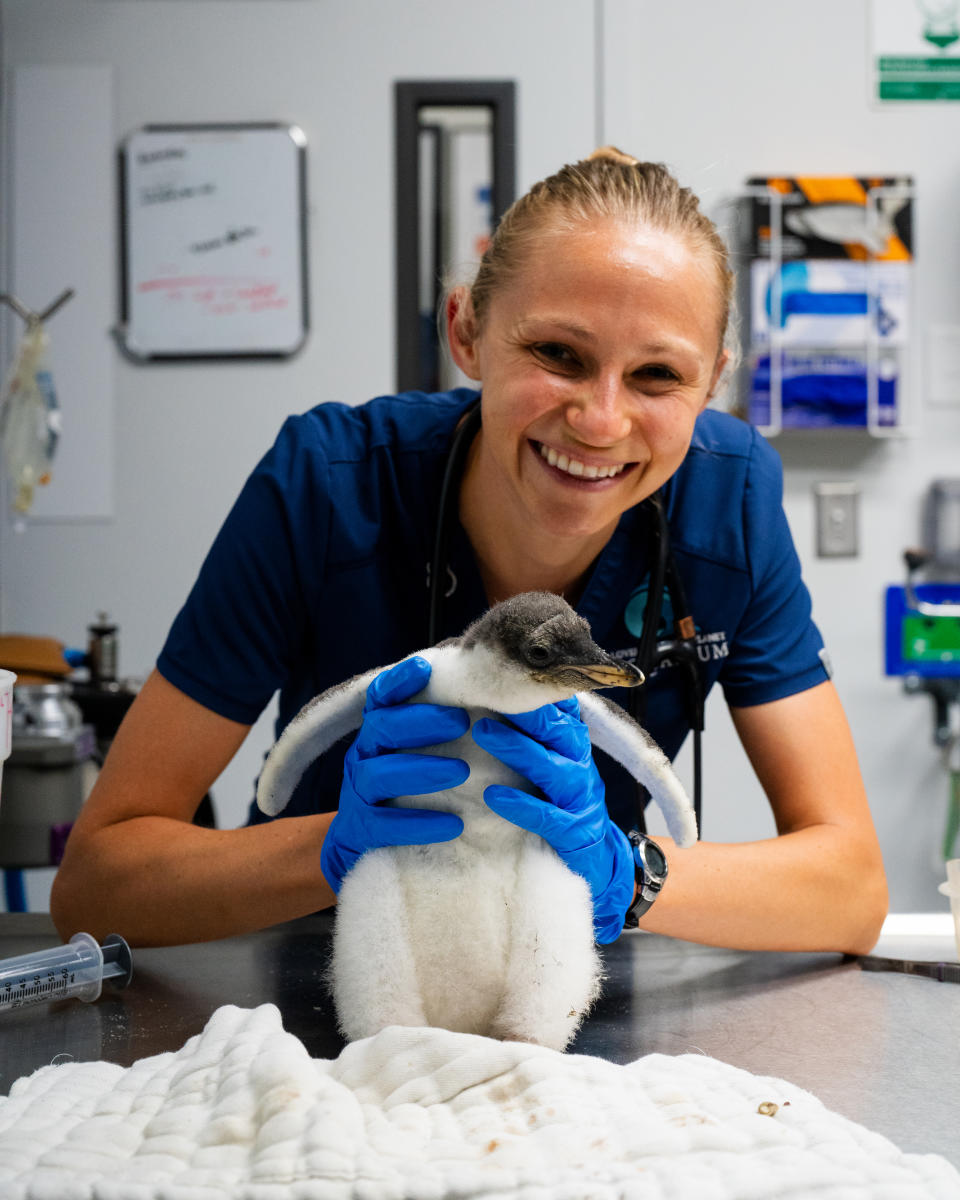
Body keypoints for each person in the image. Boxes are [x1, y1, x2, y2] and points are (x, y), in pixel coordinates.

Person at [51, 148, 888, 953]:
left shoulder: (728, 503)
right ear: (466, 330)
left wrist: (629, 874)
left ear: (713, 385)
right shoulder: (326, 487)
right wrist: (338, 843)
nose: (600, 422)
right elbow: (97, 883)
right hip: (323, 968)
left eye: (658, 376)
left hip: (567, 975)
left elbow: (850, 890)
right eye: (558, 355)